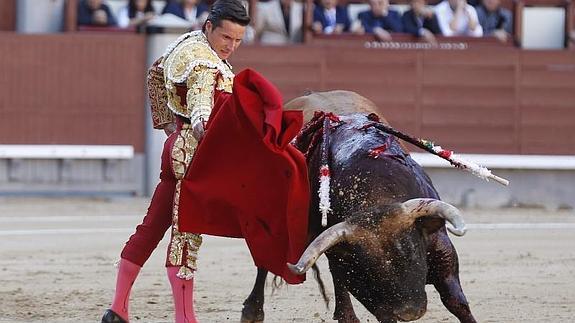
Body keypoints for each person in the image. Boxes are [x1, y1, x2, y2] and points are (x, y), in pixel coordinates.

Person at [100, 1, 250, 322]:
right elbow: (200, 105)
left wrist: (167, 123)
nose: (231, 47)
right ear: (209, 26)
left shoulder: (187, 42)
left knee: (152, 226)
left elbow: (155, 73)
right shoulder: (203, 64)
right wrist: (199, 125)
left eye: (238, 40)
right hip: (195, 153)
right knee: (186, 234)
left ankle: (118, 309)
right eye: (227, 38)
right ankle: (185, 318)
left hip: (175, 146)